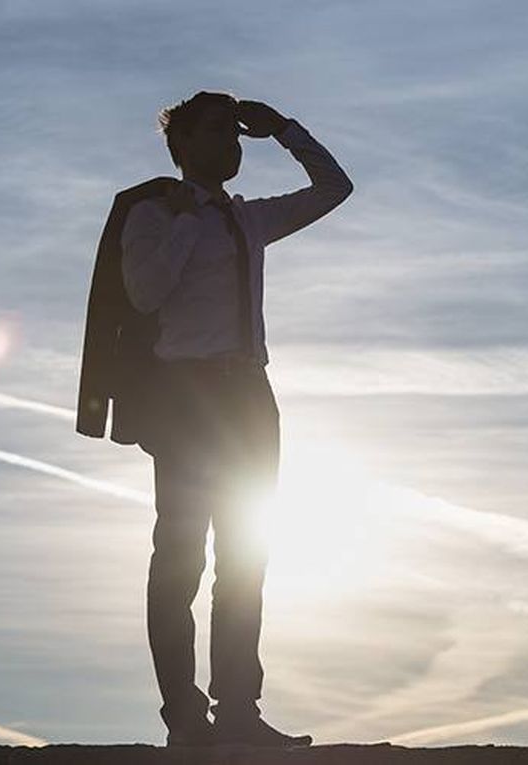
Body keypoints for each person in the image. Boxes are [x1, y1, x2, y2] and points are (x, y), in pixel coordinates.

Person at [120, 91, 353, 747]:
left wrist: (282, 129)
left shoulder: (249, 220)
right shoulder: (151, 213)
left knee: (247, 555)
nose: (232, 143)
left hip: (251, 395)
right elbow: (144, 292)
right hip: (187, 395)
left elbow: (334, 186)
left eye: (236, 132)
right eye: (219, 130)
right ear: (185, 142)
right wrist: (191, 217)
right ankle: (186, 719)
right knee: (180, 557)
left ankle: (240, 715)